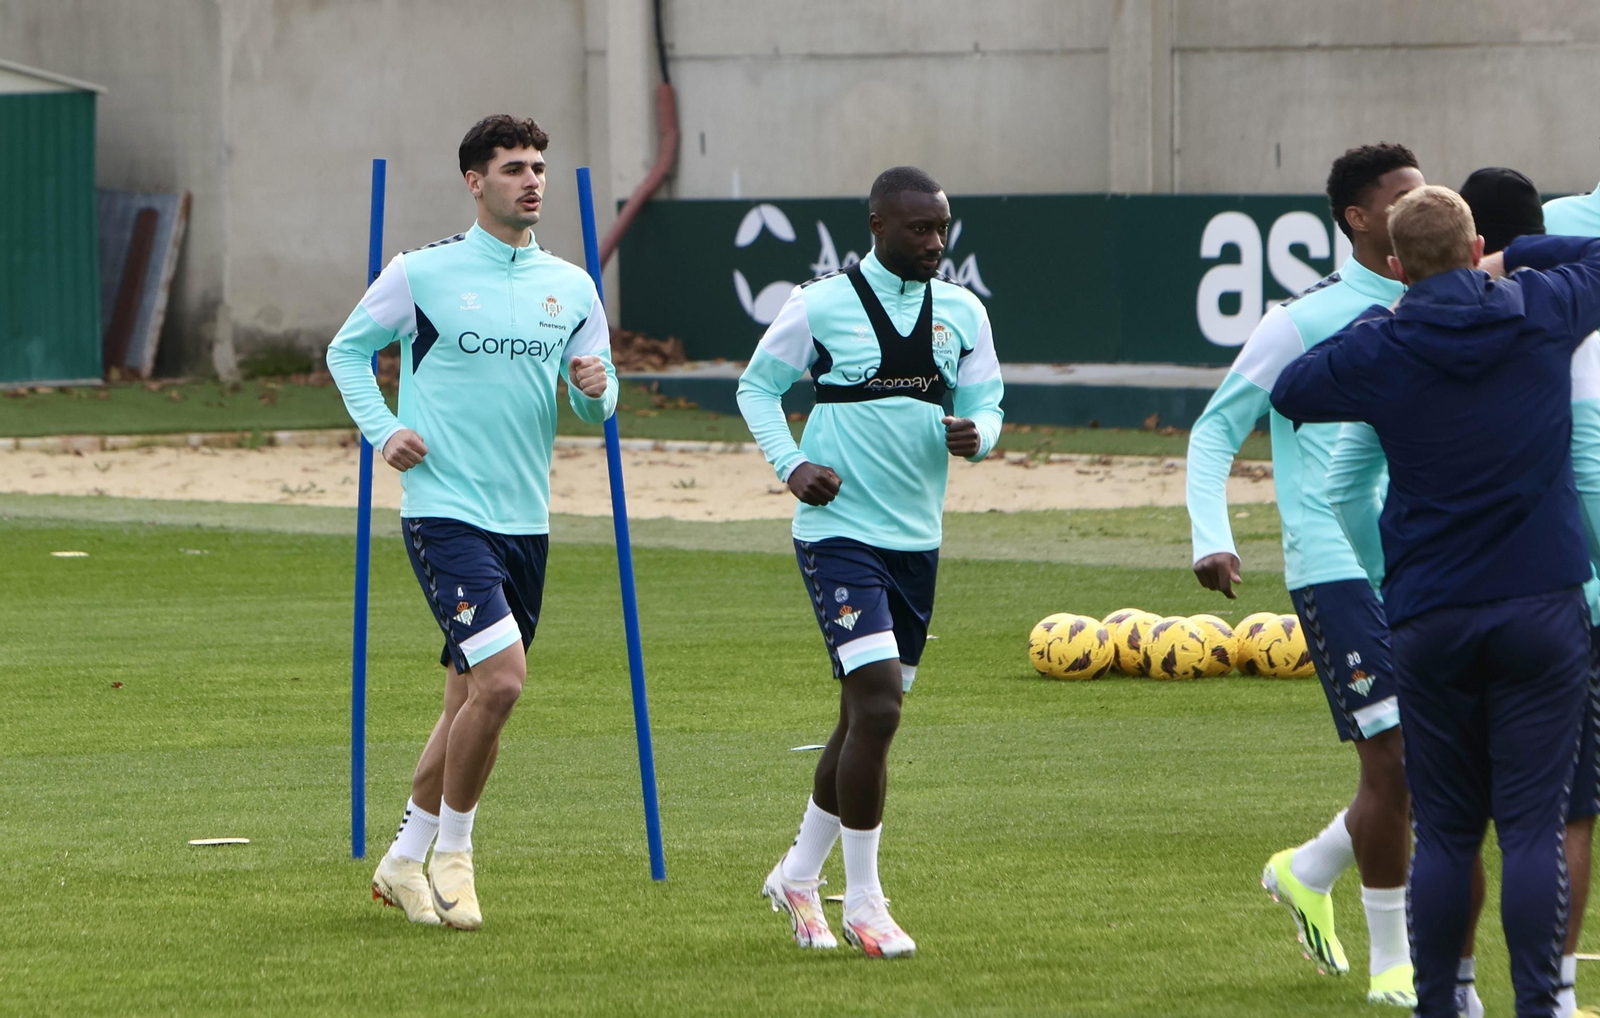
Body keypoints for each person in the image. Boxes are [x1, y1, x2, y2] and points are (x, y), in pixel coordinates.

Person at [1272, 184, 1600, 1018]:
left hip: (1431, 611)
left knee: (1449, 828)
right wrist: (1516, 258)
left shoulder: (1386, 339)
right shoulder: (1539, 309)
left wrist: (1394, 311)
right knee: (1531, 826)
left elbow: (1295, 389)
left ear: (1391, 264)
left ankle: (1444, 1001)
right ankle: (1543, 1004)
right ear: (1477, 241)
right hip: (1539, 600)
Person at [326, 114, 618, 930]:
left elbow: (597, 405)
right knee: (502, 680)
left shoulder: (573, 286)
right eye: (514, 167)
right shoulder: (422, 274)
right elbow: (346, 351)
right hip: (444, 511)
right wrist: (385, 430)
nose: (532, 180)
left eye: (539, 167)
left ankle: (402, 861)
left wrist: (597, 387)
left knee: (466, 698)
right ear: (474, 181)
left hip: (528, 519)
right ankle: (456, 852)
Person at [736, 166, 1004, 959]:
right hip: (837, 535)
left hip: (916, 543)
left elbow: (990, 402)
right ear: (878, 224)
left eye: (943, 229)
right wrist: (791, 464)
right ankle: (865, 902)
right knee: (881, 705)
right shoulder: (818, 305)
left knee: (862, 717)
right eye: (920, 229)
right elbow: (757, 389)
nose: (935, 243)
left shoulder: (963, 311)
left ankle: (795, 874)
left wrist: (979, 435)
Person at [1184, 143, 1423, 1005]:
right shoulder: (1302, 320)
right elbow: (1216, 430)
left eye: (1424, 189)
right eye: (1401, 194)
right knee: (1393, 758)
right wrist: (1212, 534)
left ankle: (1307, 867)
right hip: (1333, 564)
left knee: (1430, 759)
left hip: (1430, 562)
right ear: (1358, 219)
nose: (1417, 202)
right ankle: (1396, 960)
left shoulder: (1445, 303)